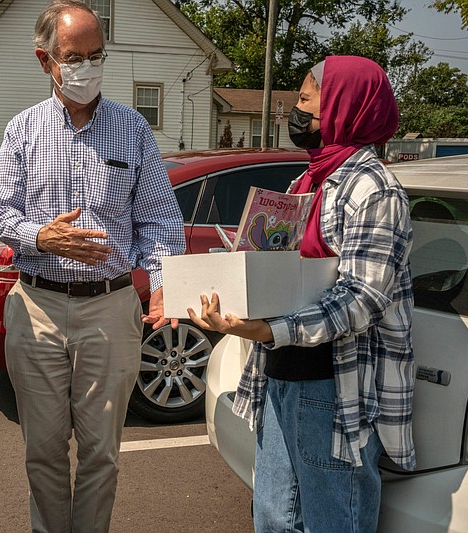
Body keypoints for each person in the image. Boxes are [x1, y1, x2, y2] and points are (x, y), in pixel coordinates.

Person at [189, 56, 415, 532]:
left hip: (335, 390)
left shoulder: (375, 190)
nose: (297, 111)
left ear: (343, 107)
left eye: (307, 100)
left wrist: (270, 327)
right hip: (279, 375)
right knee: (273, 519)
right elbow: (280, 270)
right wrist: (233, 286)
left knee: (333, 522)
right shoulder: (308, 178)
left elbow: (362, 298)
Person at [0, 1, 184, 531]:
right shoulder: (23, 129)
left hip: (112, 307)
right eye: (74, 57)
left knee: (102, 453)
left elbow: (161, 222)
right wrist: (42, 237)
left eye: (97, 55)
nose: (87, 67)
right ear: (44, 60)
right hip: (38, 307)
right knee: (43, 452)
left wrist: (164, 284)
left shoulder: (132, 128)